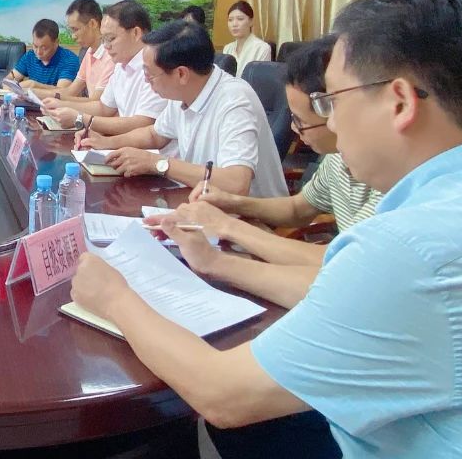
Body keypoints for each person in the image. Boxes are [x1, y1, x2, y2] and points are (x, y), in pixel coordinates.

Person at [72, 0, 462, 459]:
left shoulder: (415, 248)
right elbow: (344, 280)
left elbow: (223, 395)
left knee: (168, 451)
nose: (322, 124)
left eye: (329, 100)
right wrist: (218, 262)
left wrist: (113, 296)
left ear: (400, 102)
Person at [143, 35, 382, 305]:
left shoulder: (395, 180)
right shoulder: (336, 159)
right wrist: (232, 203)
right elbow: (298, 209)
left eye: (301, 121)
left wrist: (226, 228)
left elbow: (341, 264)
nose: (294, 130)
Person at [91, 20, 288, 198]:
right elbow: (155, 134)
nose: (146, 80)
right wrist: (107, 143)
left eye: (150, 74)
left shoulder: (235, 101)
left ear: (181, 74)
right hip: (203, 204)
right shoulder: (183, 92)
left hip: (251, 218)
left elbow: (236, 184)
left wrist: (157, 163)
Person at [41, 0, 167, 139]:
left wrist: (81, 118)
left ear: (136, 33)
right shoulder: (121, 65)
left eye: (111, 38)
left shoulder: (157, 67)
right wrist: (62, 105)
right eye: (104, 39)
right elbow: (104, 107)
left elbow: (143, 123)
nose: (106, 46)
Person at [57, 0, 115, 102]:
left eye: (75, 29)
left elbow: (96, 103)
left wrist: (57, 101)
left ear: (93, 24)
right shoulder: (89, 51)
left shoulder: (111, 55)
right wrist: (32, 92)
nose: (73, 36)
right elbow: (71, 91)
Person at [8, 18, 81, 91]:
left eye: (44, 48)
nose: (38, 52)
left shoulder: (69, 60)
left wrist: (34, 85)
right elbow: (10, 78)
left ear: (56, 43)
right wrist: (8, 84)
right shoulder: (30, 56)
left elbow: (63, 92)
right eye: (35, 46)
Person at [222, 0, 272, 77]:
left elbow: (260, 79)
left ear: (251, 21)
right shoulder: (227, 48)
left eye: (240, 19)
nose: (234, 24)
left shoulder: (262, 48)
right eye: (230, 20)